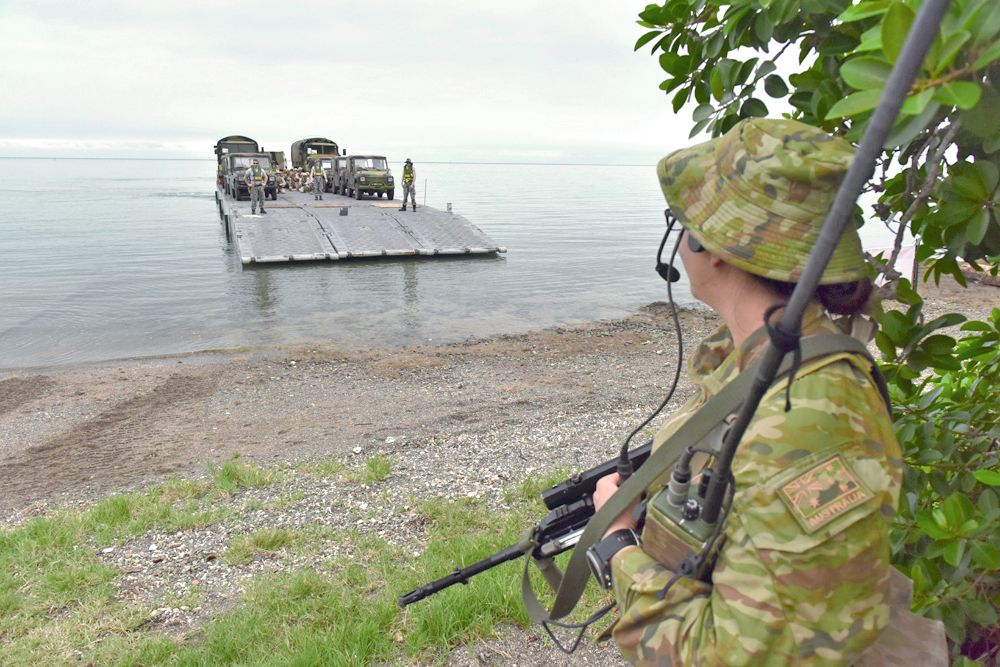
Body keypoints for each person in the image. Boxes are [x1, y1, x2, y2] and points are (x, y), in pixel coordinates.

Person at [591, 118, 902, 665]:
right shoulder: (759, 363)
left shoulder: (805, 420)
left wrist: (619, 549)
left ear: (711, 247)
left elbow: (738, 654)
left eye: (681, 220)